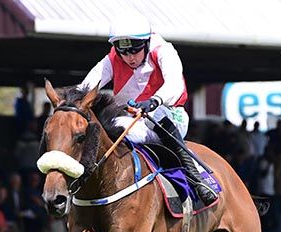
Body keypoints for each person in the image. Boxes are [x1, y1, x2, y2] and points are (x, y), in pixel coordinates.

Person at [79, 13, 217, 205]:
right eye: (124, 52)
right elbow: (87, 86)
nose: (130, 58)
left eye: (135, 51)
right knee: (101, 124)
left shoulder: (164, 51)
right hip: (132, 122)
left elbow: (175, 85)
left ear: (146, 42)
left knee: (156, 113)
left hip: (170, 115)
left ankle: (196, 176)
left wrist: (154, 101)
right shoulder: (113, 58)